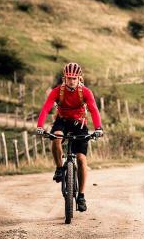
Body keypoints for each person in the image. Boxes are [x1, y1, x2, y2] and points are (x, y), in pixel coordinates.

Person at [36, 62, 103, 212]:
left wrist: (98, 128)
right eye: (68, 78)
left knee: (81, 159)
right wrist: (40, 126)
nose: (71, 81)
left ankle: (81, 196)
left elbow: (93, 109)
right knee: (56, 137)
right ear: (64, 78)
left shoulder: (85, 92)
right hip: (62, 121)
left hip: (79, 124)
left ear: (79, 78)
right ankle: (60, 168)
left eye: (74, 78)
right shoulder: (57, 91)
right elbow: (46, 108)